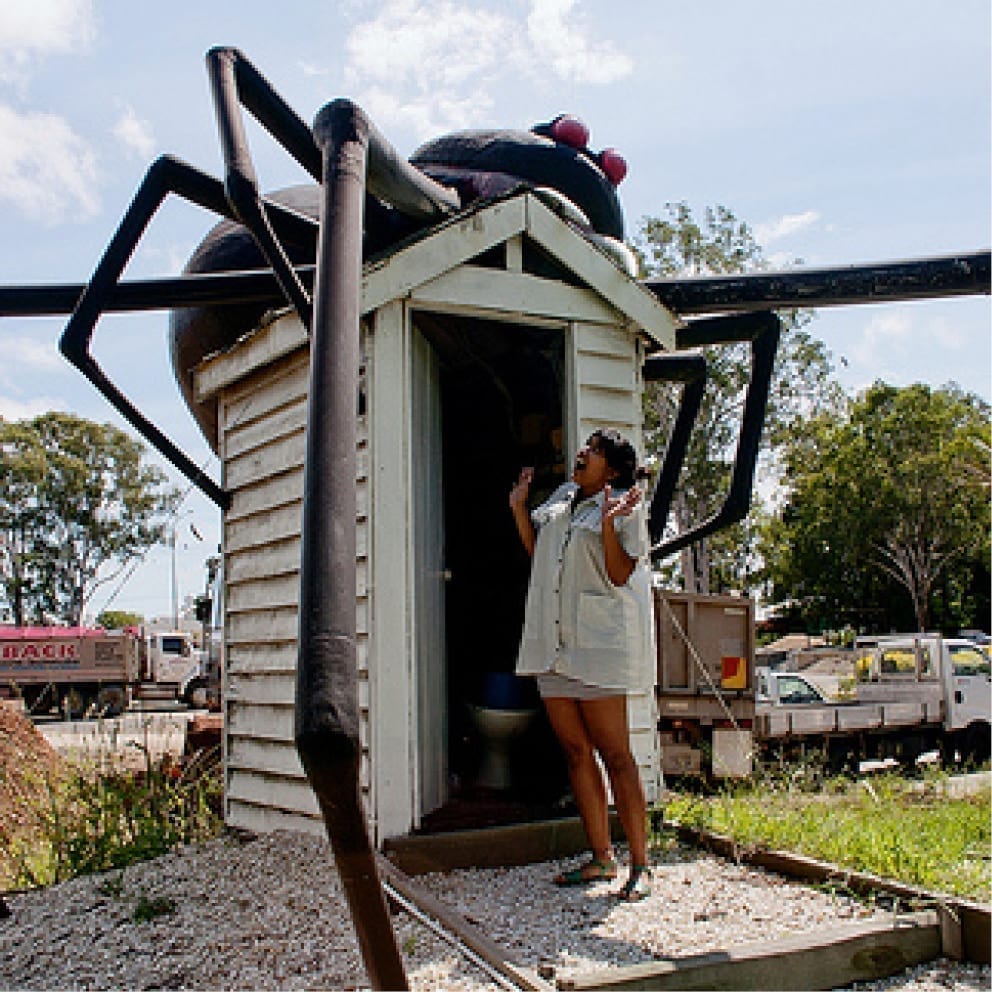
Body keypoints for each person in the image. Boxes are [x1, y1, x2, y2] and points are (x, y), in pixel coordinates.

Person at [509, 428, 654, 902]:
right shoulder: (563, 497)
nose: (582, 453)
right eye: (585, 447)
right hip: (553, 644)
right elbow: (540, 556)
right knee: (575, 753)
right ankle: (601, 857)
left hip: (597, 646)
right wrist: (518, 509)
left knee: (617, 755)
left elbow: (618, 572)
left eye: (593, 450)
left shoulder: (626, 505)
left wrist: (610, 525)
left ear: (611, 469)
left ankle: (640, 864)